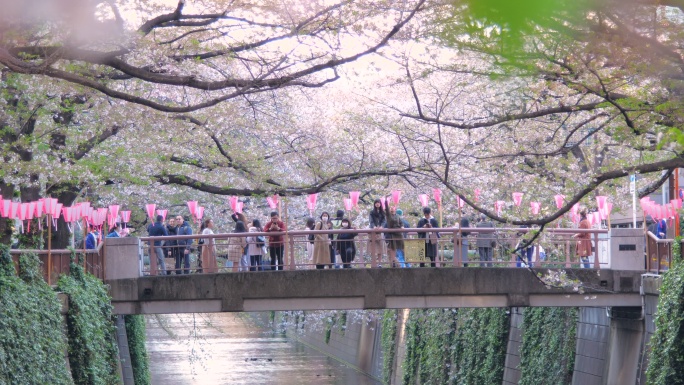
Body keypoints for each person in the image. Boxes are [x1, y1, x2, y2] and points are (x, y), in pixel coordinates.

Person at [368, 199, 386, 267]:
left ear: (380, 204)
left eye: (378, 203)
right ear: (374, 204)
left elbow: (384, 221)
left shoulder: (382, 212)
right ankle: (374, 262)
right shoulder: (372, 212)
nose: (377, 204)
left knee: (380, 247)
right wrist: (374, 226)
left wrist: (382, 226)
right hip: (373, 232)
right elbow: (371, 221)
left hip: (380, 232)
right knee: (373, 247)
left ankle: (380, 263)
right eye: (376, 203)